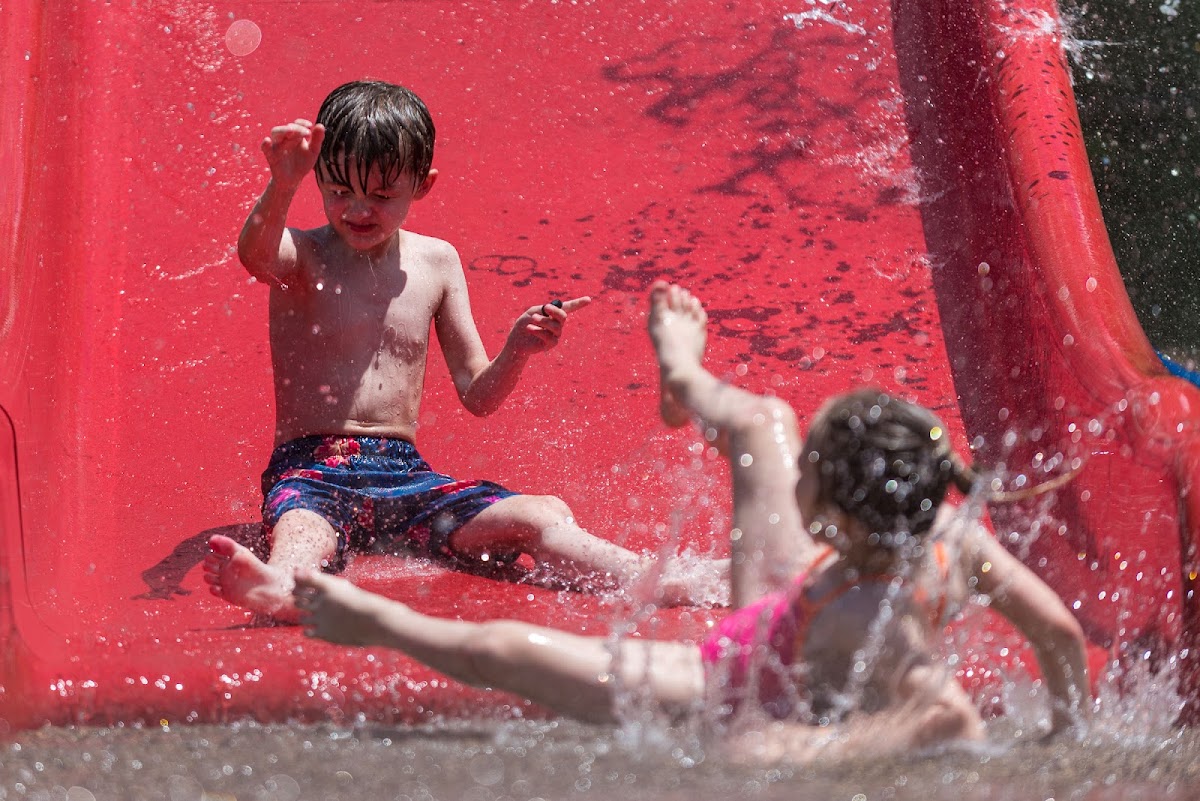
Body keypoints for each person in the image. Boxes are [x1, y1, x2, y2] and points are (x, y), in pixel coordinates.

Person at [292, 281, 1093, 760]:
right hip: (797, 604)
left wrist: (795, 749)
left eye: (808, 468)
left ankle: (380, 623)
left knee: (503, 650)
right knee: (762, 419)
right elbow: (1057, 631)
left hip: (736, 684)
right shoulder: (955, 538)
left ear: (831, 513)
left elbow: (939, 713)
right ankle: (682, 371)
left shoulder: (869, 624)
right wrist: (1065, 732)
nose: (797, 473)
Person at [203, 81, 724, 622]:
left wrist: (517, 350)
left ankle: (657, 579)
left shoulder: (437, 263)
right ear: (316, 178)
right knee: (302, 529)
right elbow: (256, 257)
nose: (358, 209)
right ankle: (285, 588)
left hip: (407, 479)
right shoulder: (304, 252)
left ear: (421, 185)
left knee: (539, 514)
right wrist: (281, 183)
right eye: (339, 191)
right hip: (312, 470)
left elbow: (478, 394)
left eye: (381, 195)